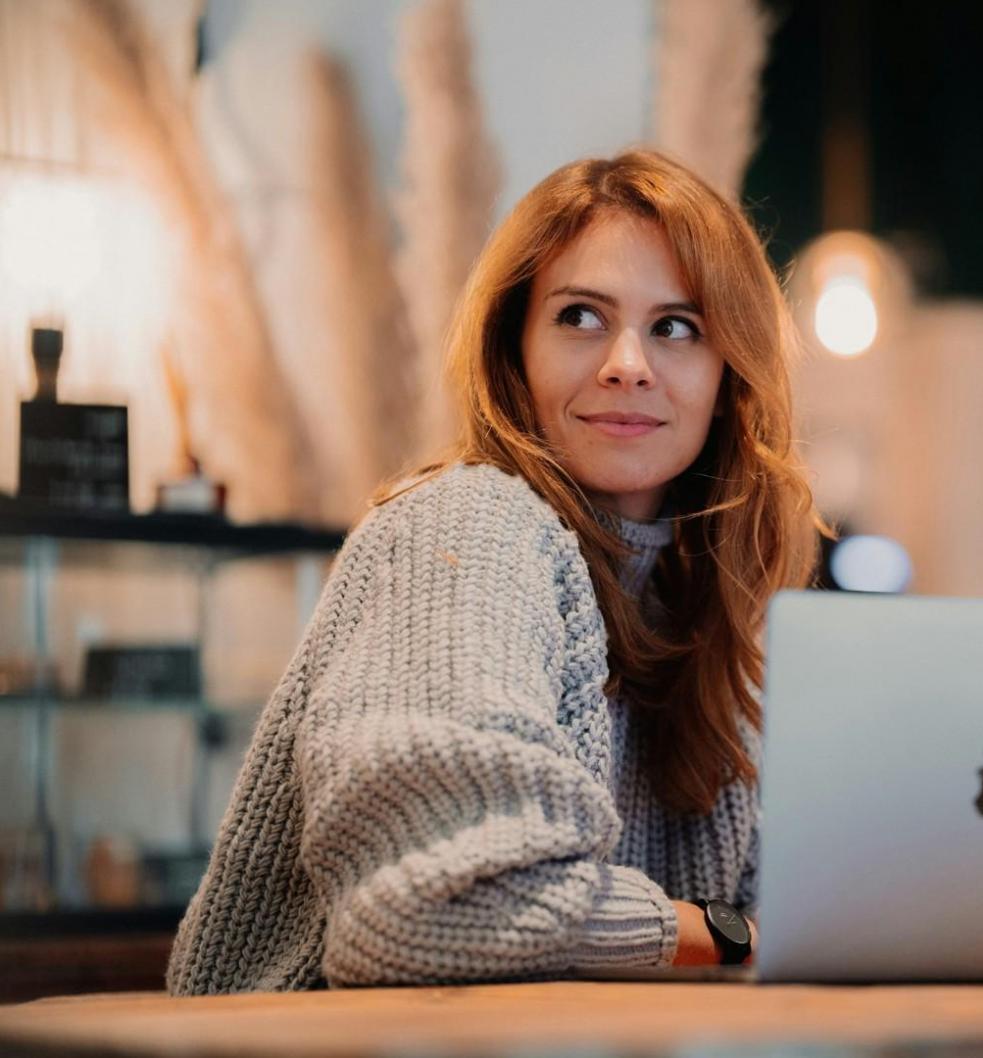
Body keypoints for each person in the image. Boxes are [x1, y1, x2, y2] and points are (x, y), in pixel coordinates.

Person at [165, 149, 825, 993]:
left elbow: (798, 914)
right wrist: (725, 936)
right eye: (582, 316)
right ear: (514, 351)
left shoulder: (702, 605)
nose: (628, 362)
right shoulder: (468, 526)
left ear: (731, 375)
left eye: (676, 327)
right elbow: (442, 908)